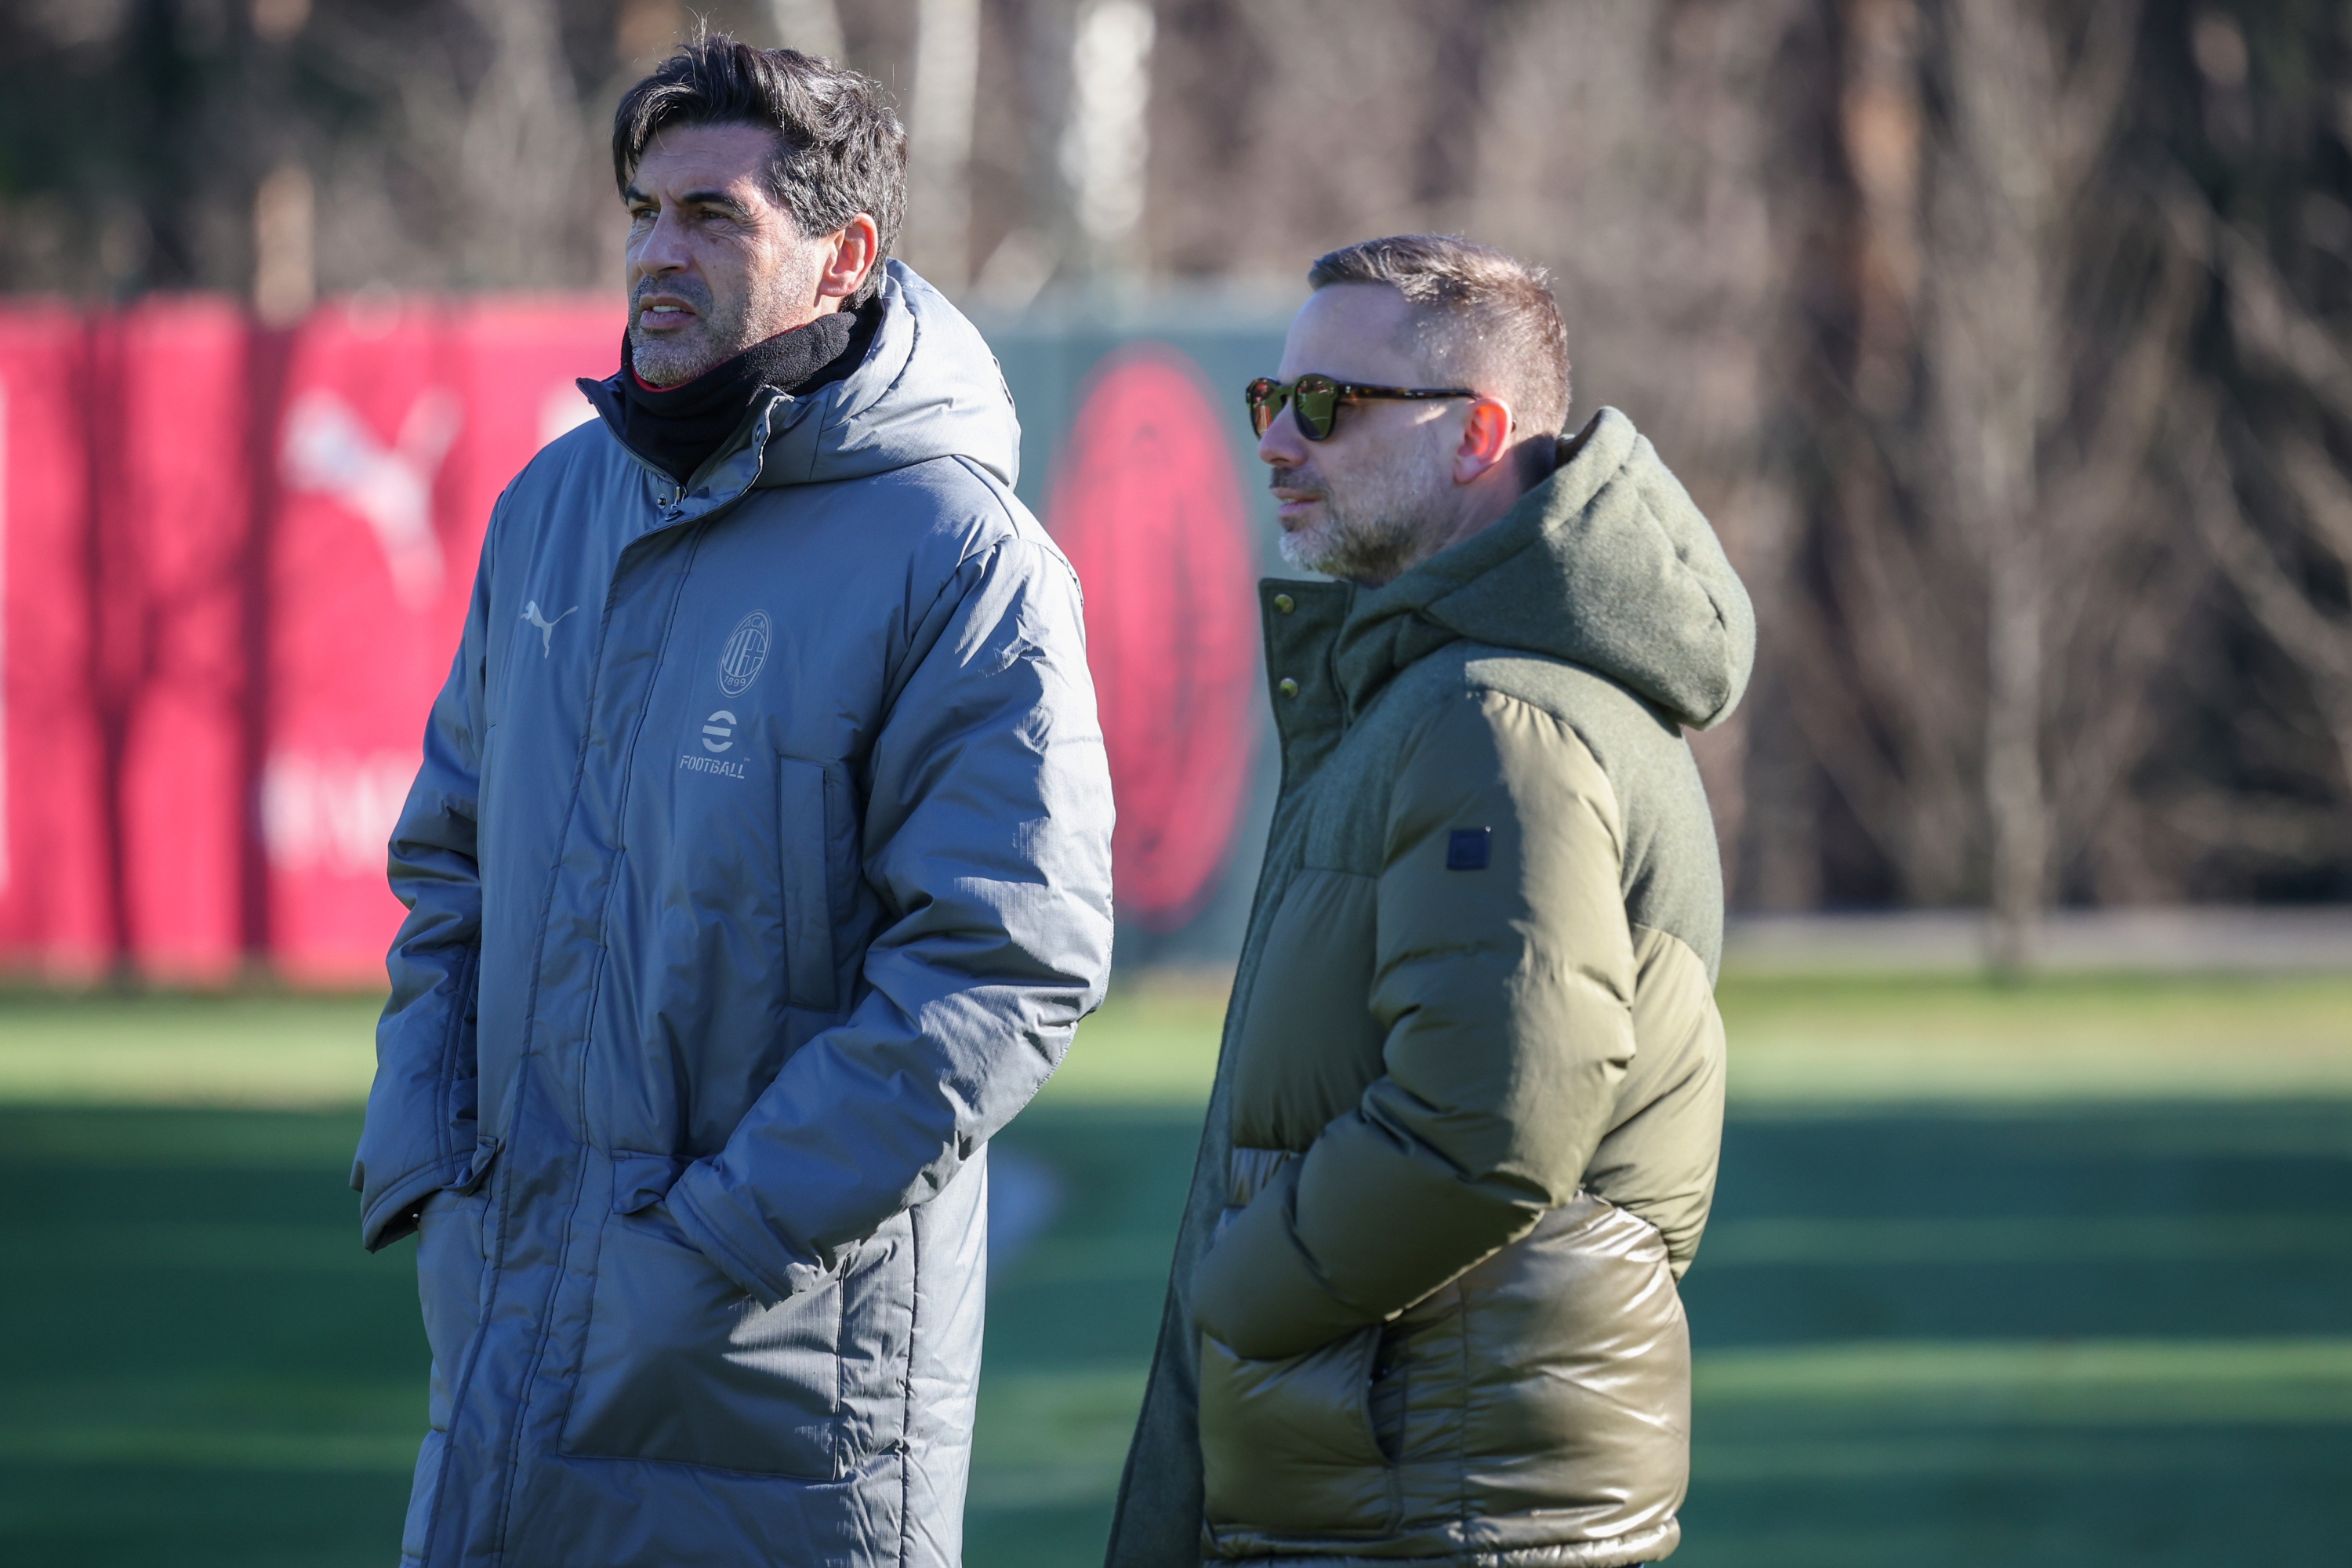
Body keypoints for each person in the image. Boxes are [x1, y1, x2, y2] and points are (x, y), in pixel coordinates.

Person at [350, 38, 1114, 1568]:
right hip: (505, 1362)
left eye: (712, 216)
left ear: (844, 257)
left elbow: (1001, 961)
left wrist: (708, 1246)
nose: (654, 252)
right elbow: (451, 872)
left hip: (783, 1415)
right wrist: (430, 1162)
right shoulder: (551, 511)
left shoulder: (965, 557)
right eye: (643, 209)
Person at [1105, 234, 1754, 1568]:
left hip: (1430, 1512)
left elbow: (1494, 1114)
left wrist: (1240, 1289)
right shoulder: (1447, 695)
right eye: (1268, 403)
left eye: (1329, 406)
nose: (1279, 442)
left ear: (1478, 437)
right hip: (1425, 1494)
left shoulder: (1493, 718)